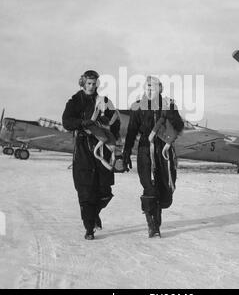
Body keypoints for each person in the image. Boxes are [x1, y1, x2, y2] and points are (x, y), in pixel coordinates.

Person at [122, 76, 184, 237]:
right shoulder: (138, 107)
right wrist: (126, 152)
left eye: (153, 87)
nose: (150, 91)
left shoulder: (169, 105)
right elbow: (131, 132)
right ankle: (153, 226)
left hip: (164, 151)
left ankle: (156, 221)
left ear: (160, 89)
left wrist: (169, 113)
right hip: (145, 150)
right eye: (147, 87)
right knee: (149, 187)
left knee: (165, 190)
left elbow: (179, 126)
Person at [62, 70, 120, 240]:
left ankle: (94, 214)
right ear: (83, 83)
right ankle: (89, 228)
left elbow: (116, 121)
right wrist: (82, 123)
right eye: (88, 83)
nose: (91, 87)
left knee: (105, 191)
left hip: (102, 148)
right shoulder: (74, 101)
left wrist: (111, 135)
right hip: (82, 148)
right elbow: (66, 122)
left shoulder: (104, 102)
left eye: (94, 84)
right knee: (85, 191)